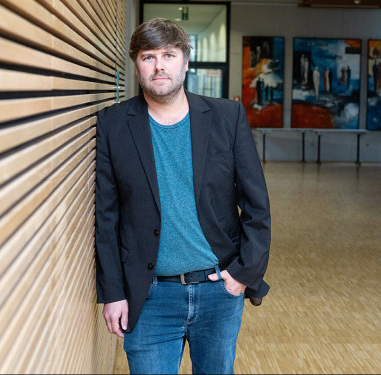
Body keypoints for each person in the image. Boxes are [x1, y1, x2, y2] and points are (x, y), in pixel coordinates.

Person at [94, 18, 271, 374]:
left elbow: (257, 206)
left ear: (186, 62)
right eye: (148, 57)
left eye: (169, 55)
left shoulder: (226, 117)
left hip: (218, 291)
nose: (159, 66)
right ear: (136, 64)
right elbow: (106, 217)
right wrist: (113, 292)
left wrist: (241, 274)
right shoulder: (113, 124)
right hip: (149, 296)